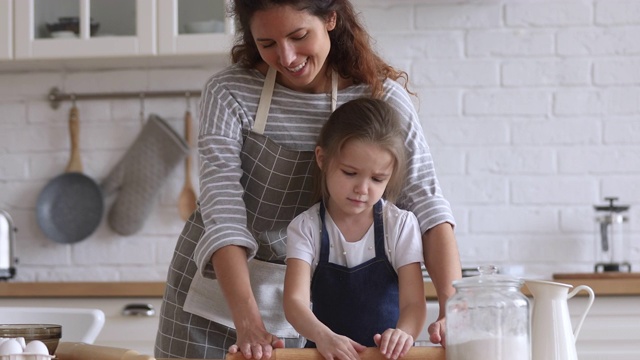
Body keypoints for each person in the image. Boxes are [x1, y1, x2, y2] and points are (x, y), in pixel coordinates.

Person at [154, 0, 461, 359]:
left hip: (305, 303)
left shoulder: (379, 97)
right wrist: (247, 320)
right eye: (266, 44)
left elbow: (426, 203)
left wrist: (452, 308)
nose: (286, 57)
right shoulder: (229, 92)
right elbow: (223, 214)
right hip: (219, 296)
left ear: (331, 18)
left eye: (299, 36)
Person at [283, 98, 427, 360]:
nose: (363, 189)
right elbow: (295, 303)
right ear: (322, 159)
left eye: (377, 179)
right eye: (350, 173)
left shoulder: (400, 225)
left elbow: (414, 304)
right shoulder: (306, 228)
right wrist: (323, 337)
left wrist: (403, 333)